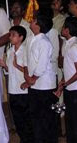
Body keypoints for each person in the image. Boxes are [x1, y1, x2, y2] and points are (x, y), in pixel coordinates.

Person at [20, 14, 58, 143]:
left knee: (46, 117)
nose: (31, 21)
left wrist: (32, 78)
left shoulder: (44, 42)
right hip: (34, 83)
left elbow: (42, 65)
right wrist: (26, 75)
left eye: (34, 20)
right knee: (35, 116)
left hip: (45, 85)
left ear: (39, 25)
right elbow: (26, 58)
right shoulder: (31, 39)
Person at [55, 16, 77, 143]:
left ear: (67, 30)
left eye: (63, 27)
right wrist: (62, 82)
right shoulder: (68, 44)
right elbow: (69, 69)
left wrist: (65, 83)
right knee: (70, 121)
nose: (61, 29)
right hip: (71, 88)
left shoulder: (74, 46)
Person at [0, 25, 31, 143]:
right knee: (17, 118)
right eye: (10, 35)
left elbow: (29, 71)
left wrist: (17, 66)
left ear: (21, 37)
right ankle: (23, 138)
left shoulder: (26, 51)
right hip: (13, 89)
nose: (10, 37)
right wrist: (4, 65)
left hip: (24, 90)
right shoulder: (10, 51)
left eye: (13, 35)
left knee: (26, 118)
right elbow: (9, 71)